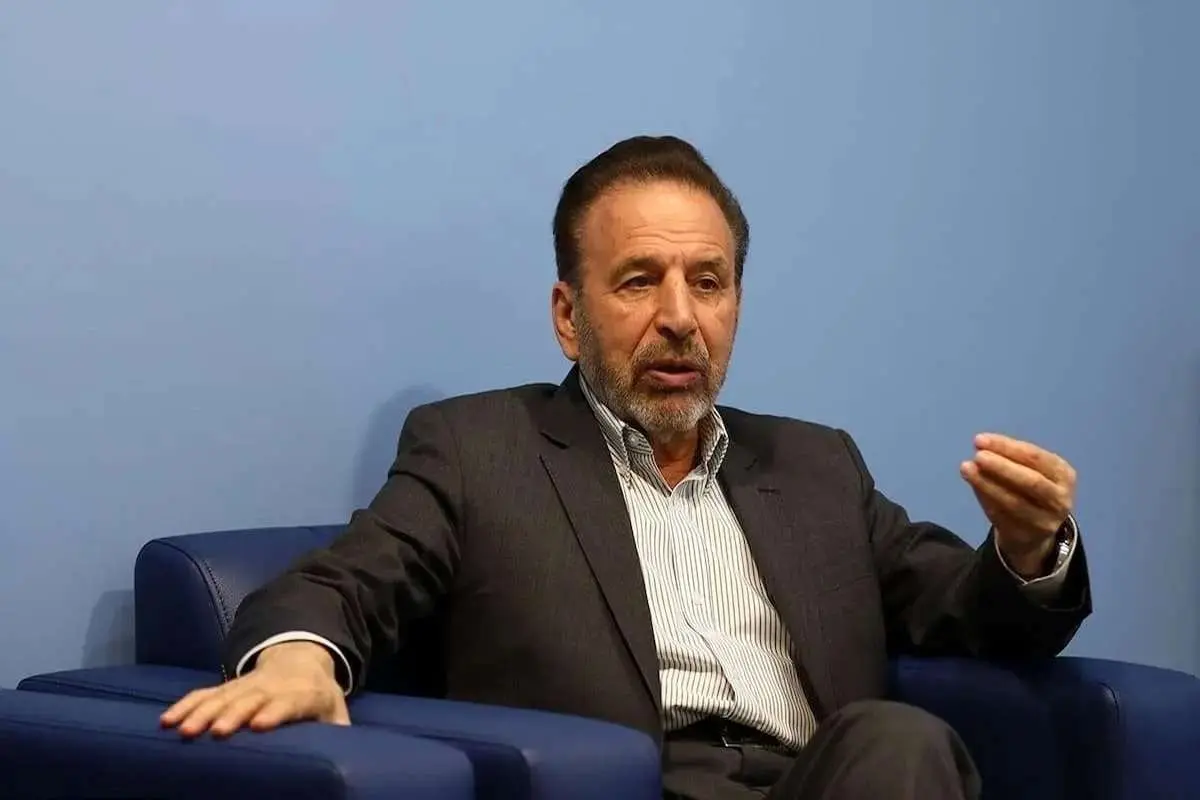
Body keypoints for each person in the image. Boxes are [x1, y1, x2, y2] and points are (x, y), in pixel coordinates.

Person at [161, 135, 1091, 799]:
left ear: (735, 305)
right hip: (629, 783)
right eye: (641, 280)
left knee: (897, 739)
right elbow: (345, 582)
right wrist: (297, 659)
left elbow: (965, 610)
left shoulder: (815, 464)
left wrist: (1029, 550)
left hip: (828, 780)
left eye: (708, 282)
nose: (680, 317)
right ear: (569, 317)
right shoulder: (480, 449)